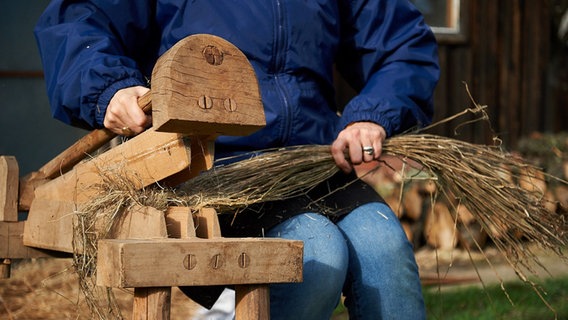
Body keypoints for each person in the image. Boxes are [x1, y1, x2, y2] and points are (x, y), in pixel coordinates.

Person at [34, 1, 439, 319]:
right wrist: (110, 88)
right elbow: (80, 19)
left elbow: (402, 44)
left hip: (310, 159)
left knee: (385, 245)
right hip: (210, 165)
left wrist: (373, 113)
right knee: (316, 252)